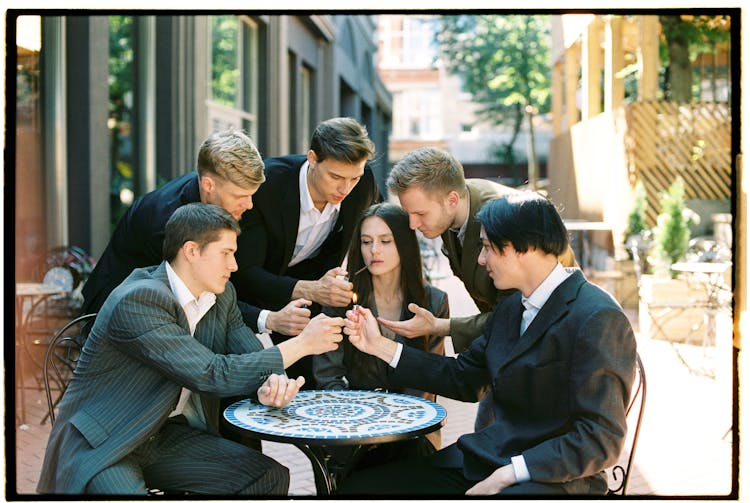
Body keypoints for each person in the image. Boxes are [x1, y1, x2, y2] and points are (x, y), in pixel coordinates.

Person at [338, 192, 637, 496]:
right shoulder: (509, 307)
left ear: (525, 248)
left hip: (556, 478)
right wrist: (379, 346)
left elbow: (601, 438)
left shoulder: (598, 317)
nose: (480, 260)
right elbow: (462, 378)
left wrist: (513, 473)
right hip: (486, 459)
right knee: (360, 488)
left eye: (488, 247)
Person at [37, 203, 347, 495]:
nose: (234, 265)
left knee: (268, 476)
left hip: (166, 436)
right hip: (106, 442)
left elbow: (248, 353)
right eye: (226, 253)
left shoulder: (221, 296)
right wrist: (303, 344)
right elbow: (210, 373)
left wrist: (271, 384)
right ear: (191, 251)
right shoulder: (138, 300)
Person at [380, 146, 577, 429]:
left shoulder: (502, 221)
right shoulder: (453, 212)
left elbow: (515, 316)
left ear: (451, 199)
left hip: (547, 351)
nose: (412, 224)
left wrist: (442, 326)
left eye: (420, 213)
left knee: (491, 437)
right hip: (510, 339)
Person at [81, 129, 310, 337]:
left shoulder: (215, 201)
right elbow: (205, 297)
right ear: (209, 185)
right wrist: (269, 319)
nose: (249, 205)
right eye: (240, 196)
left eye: (252, 195)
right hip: (118, 324)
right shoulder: (167, 223)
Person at [232, 117, 380, 387]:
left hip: (308, 302)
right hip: (248, 300)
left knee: (309, 380)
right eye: (335, 177)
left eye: (353, 178)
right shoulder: (269, 186)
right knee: (255, 385)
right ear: (312, 158)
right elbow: (244, 272)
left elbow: (379, 227)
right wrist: (311, 289)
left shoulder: (364, 183)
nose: (345, 189)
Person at [313, 203, 449, 468]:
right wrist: (360, 421)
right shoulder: (341, 299)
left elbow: (430, 378)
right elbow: (327, 375)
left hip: (412, 429)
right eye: (366, 241)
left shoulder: (432, 301)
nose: (374, 250)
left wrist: (393, 424)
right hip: (352, 429)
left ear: (405, 245)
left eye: (385, 241)